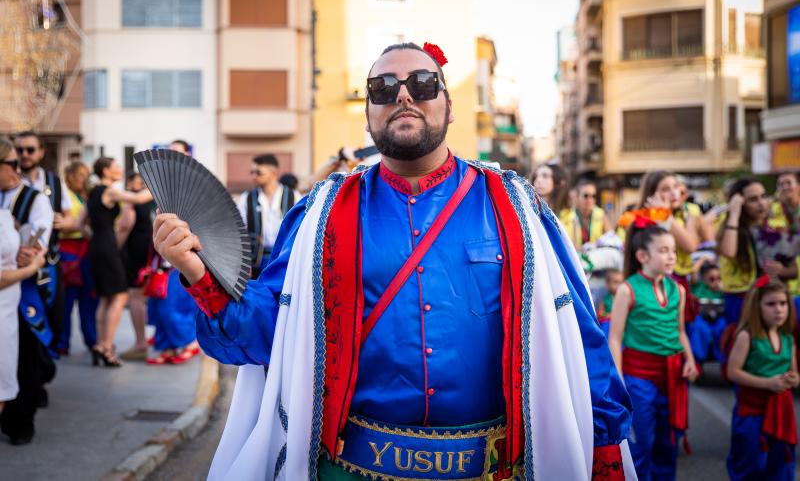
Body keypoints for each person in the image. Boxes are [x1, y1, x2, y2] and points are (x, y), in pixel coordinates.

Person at [154, 42, 635, 480]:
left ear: (448, 106)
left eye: (423, 85)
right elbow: (267, 334)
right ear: (367, 116)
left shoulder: (516, 208)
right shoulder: (321, 215)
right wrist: (196, 269)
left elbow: (578, 333)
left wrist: (606, 452)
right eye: (383, 88)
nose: (403, 96)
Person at [609, 217, 698, 480]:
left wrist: (690, 360)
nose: (671, 256)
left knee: (668, 442)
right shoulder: (628, 289)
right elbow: (615, 337)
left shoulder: (678, 290)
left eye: (673, 251)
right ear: (642, 256)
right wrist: (620, 380)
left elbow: (680, 330)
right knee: (642, 442)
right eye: (664, 251)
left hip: (673, 375)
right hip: (639, 377)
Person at [0, 136, 53, 446]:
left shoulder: (34, 198)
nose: (21, 160)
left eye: (27, 152)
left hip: (25, 288)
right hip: (9, 281)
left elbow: (40, 239)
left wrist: (31, 253)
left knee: (25, 355)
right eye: (16, 155)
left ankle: (21, 421)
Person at [726, 277, 798, 480]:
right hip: (752, 413)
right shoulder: (746, 336)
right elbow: (733, 372)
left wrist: (792, 379)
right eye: (771, 304)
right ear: (756, 306)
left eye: (783, 303)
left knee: (780, 463)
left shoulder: (788, 339)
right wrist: (768, 383)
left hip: (780, 414)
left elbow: (795, 373)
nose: (779, 310)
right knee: (751, 464)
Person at [87, 157, 152, 367]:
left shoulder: (93, 193)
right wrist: (161, 185)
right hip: (107, 246)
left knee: (106, 298)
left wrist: (97, 237)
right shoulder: (111, 191)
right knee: (120, 295)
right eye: (116, 166)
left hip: (97, 244)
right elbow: (139, 199)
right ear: (106, 171)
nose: (119, 169)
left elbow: (80, 223)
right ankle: (106, 347)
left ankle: (100, 343)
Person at [14, 131, 73, 352]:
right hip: (17, 262)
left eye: (30, 150)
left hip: (49, 262)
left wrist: (63, 222)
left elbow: (72, 218)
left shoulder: (53, 182)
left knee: (54, 315)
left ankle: (45, 363)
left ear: (40, 152)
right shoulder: (10, 182)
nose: (25, 155)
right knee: (24, 319)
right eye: (20, 150)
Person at [143, 140, 200, 365]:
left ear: (188, 155)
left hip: (182, 250)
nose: (172, 155)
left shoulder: (192, 183)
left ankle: (188, 344)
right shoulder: (163, 183)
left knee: (175, 305)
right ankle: (168, 347)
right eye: (170, 152)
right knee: (160, 305)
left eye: (177, 152)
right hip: (161, 253)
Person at [718, 177, 799, 326]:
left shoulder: (776, 226)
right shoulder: (730, 224)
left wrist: (781, 270)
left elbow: (793, 270)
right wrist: (734, 213)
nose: (761, 203)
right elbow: (729, 251)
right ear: (741, 203)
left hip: (771, 300)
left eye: (763, 196)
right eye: (753, 199)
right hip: (740, 299)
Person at [55, 161, 98, 355]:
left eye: (86, 174)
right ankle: (62, 342)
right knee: (67, 300)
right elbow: (60, 224)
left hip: (88, 251)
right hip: (68, 252)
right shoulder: (64, 195)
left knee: (89, 299)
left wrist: (74, 223)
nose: (84, 178)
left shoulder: (87, 195)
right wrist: (77, 224)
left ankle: (93, 340)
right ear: (71, 176)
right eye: (81, 174)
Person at [237, 153, 301, 278]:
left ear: (273, 173)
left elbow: (299, 228)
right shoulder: (247, 198)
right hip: (256, 260)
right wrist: (244, 262)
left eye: (259, 172)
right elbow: (240, 233)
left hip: (285, 258)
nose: (254, 176)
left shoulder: (293, 196)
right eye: (252, 172)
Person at [117, 172, 155, 360]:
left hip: (134, 250)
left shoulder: (131, 200)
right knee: (140, 295)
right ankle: (143, 341)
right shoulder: (150, 198)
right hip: (147, 248)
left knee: (135, 296)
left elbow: (125, 226)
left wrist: (115, 248)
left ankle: (140, 343)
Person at [768, 172, 800, 301]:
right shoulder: (771, 210)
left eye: (788, 183)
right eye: (781, 184)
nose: (785, 187)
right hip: (783, 279)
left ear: (798, 186)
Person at [688, 261, 725, 365]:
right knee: (699, 329)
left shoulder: (723, 291)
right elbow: (693, 271)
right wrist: (704, 258)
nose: (716, 282)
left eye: (719, 278)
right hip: (702, 318)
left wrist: (723, 289)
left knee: (722, 328)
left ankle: (722, 360)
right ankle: (697, 361)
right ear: (704, 279)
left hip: (718, 319)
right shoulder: (699, 287)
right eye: (712, 279)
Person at [561, 179, 613, 250]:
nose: (590, 200)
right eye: (586, 196)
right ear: (577, 197)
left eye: (593, 196)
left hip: (595, 258)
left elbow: (611, 237)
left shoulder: (601, 214)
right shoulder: (566, 216)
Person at [597, 269, 623, 338]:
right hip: (609, 324)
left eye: (621, 282)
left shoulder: (624, 298)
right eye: (616, 282)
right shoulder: (606, 299)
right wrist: (608, 315)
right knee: (606, 325)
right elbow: (600, 313)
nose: (619, 285)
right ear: (607, 284)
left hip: (622, 324)